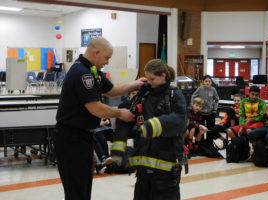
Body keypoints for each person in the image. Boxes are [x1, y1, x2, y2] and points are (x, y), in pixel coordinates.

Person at [54, 37, 146, 200]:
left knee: (83, 185)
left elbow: (113, 90)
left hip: (83, 137)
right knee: (76, 189)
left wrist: (136, 83)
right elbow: (95, 108)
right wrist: (120, 113)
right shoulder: (82, 73)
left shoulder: (92, 70)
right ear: (96, 52)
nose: (107, 62)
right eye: (106, 58)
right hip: (71, 138)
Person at [113, 59, 187, 200]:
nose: (149, 82)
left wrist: (152, 126)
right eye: (147, 79)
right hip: (143, 168)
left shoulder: (174, 95)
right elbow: (125, 117)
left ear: (163, 75)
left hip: (166, 166)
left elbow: (181, 120)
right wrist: (118, 147)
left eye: (152, 79)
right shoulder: (143, 95)